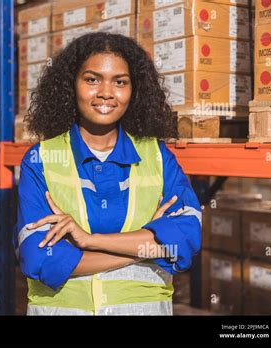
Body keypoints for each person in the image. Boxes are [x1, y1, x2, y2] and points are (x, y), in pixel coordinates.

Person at [14, 32, 202, 316]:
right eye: (92, 79)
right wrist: (145, 243)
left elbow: (184, 240)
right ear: (71, 85)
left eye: (120, 82)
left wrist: (89, 241)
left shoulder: (157, 157)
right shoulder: (40, 160)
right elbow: (39, 257)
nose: (106, 92)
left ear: (133, 90)